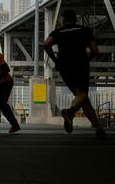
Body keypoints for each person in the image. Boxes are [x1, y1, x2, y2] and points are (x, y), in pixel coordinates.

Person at [44, 9, 106, 139]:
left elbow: (46, 44)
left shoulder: (58, 32)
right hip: (80, 65)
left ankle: (98, 127)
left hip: (65, 67)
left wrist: (55, 60)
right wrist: (87, 59)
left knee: (81, 97)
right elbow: (95, 49)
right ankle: (70, 112)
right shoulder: (84, 30)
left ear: (63, 19)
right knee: (82, 95)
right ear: (75, 18)